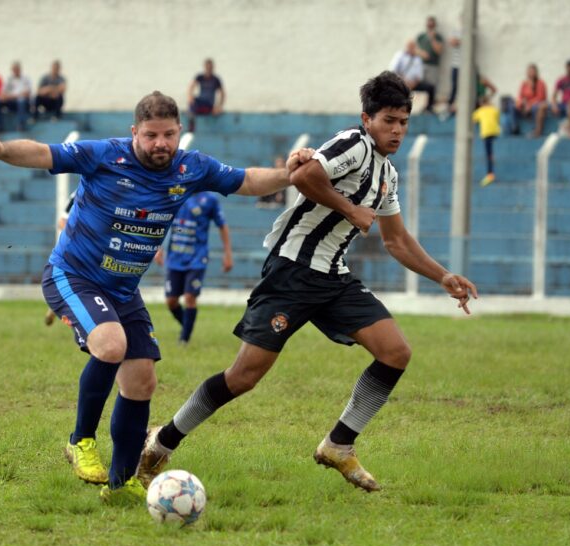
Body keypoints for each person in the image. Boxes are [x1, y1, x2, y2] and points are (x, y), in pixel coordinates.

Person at [137, 72, 478, 494]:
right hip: (291, 272)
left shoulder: (387, 174)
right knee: (244, 377)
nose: (397, 130)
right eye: (389, 120)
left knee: (395, 352)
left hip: (333, 278)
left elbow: (397, 240)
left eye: (404, 122)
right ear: (366, 118)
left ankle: (339, 444)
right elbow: (304, 175)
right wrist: (350, 208)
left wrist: (442, 275)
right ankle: (162, 440)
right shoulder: (352, 143)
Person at [0, 91, 311, 503]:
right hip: (73, 276)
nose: (161, 144)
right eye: (151, 135)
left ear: (180, 132)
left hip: (122, 290)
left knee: (142, 380)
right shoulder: (103, 156)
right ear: (135, 132)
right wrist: (2, 149)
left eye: (168, 134)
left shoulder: (190, 167)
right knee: (111, 346)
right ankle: (80, 441)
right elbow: (43, 153)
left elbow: (246, 180)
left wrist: (289, 174)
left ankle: (121, 483)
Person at [154, 192, 233, 345]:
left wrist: (227, 253)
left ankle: (184, 339)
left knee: (190, 297)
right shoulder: (174, 193)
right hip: (175, 257)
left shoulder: (209, 199)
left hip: (197, 258)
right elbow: (164, 221)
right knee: (171, 301)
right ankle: (187, 325)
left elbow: (222, 225)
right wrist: (159, 248)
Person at [389, 41, 432, 110]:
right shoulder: (400, 56)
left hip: (413, 84)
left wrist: (413, 84)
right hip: (400, 82)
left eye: (413, 47)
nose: (411, 49)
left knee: (430, 88)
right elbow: (393, 71)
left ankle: (429, 108)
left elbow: (419, 76)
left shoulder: (417, 59)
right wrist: (403, 81)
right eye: (410, 47)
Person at [187, 58, 225, 132]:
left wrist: (219, 106)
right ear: (204, 67)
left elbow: (222, 93)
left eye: (210, 67)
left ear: (213, 67)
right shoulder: (200, 77)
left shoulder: (216, 79)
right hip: (201, 102)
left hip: (209, 104)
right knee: (193, 103)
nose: (209, 69)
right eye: (207, 67)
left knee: (196, 107)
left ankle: (193, 119)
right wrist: (190, 97)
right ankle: (191, 126)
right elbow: (191, 87)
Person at [415, 16, 444, 111]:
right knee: (421, 85)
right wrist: (422, 53)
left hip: (433, 66)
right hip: (421, 65)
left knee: (431, 86)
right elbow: (415, 49)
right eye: (429, 23)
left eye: (432, 24)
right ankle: (419, 105)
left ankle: (429, 106)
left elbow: (439, 51)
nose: (430, 26)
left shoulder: (438, 37)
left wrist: (432, 39)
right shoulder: (421, 36)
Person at [473, 95, 500, 186]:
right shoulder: (493, 109)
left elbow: (473, 119)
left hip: (486, 133)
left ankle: (490, 174)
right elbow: (498, 116)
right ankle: (490, 172)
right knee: (490, 152)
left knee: (488, 153)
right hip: (495, 132)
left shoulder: (480, 111)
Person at [514, 64, 549, 138]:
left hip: (536, 104)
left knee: (536, 107)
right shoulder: (524, 84)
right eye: (529, 71)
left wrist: (529, 105)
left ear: (536, 72)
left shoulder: (540, 83)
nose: (531, 73)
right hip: (526, 105)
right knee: (512, 107)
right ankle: (514, 128)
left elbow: (540, 97)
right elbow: (520, 96)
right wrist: (522, 103)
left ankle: (537, 130)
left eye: (532, 71)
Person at [0, 61, 32, 131]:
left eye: (17, 69)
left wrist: (11, 96)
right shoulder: (9, 79)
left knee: (21, 100)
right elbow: (2, 92)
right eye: (14, 69)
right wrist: (8, 96)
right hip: (11, 101)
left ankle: (21, 125)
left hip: (23, 102)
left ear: (20, 69)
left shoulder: (26, 78)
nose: (15, 71)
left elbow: (27, 93)